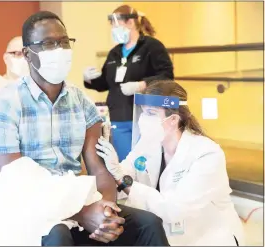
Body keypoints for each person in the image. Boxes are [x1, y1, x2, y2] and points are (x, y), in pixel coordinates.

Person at [0, 11, 169, 246]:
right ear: (28, 55)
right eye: (49, 43)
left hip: (81, 200)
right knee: (58, 235)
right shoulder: (6, 104)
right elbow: (14, 182)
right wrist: (82, 214)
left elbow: (98, 167)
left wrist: (105, 211)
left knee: (148, 224)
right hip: (29, 209)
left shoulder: (82, 103)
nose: (59, 49)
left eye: (63, 42)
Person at [95, 80, 244, 246]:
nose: (143, 119)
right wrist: (107, 166)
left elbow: (174, 209)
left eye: (151, 113)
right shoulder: (147, 145)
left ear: (173, 119)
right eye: (143, 112)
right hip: (167, 235)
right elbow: (123, 177)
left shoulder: (206, 154)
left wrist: (121, 178)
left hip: (207, 237)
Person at [84, 5, 174, 163]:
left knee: (145, 163)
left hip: (145, 114)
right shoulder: (115, 53)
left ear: (131, 23)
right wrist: (89, 79)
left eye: (115, 23)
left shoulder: (151, 47)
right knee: (126, 162)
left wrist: (142, 85)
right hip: (119, 116)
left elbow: (167, 76)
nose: (113, 28)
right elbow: (106, 83)